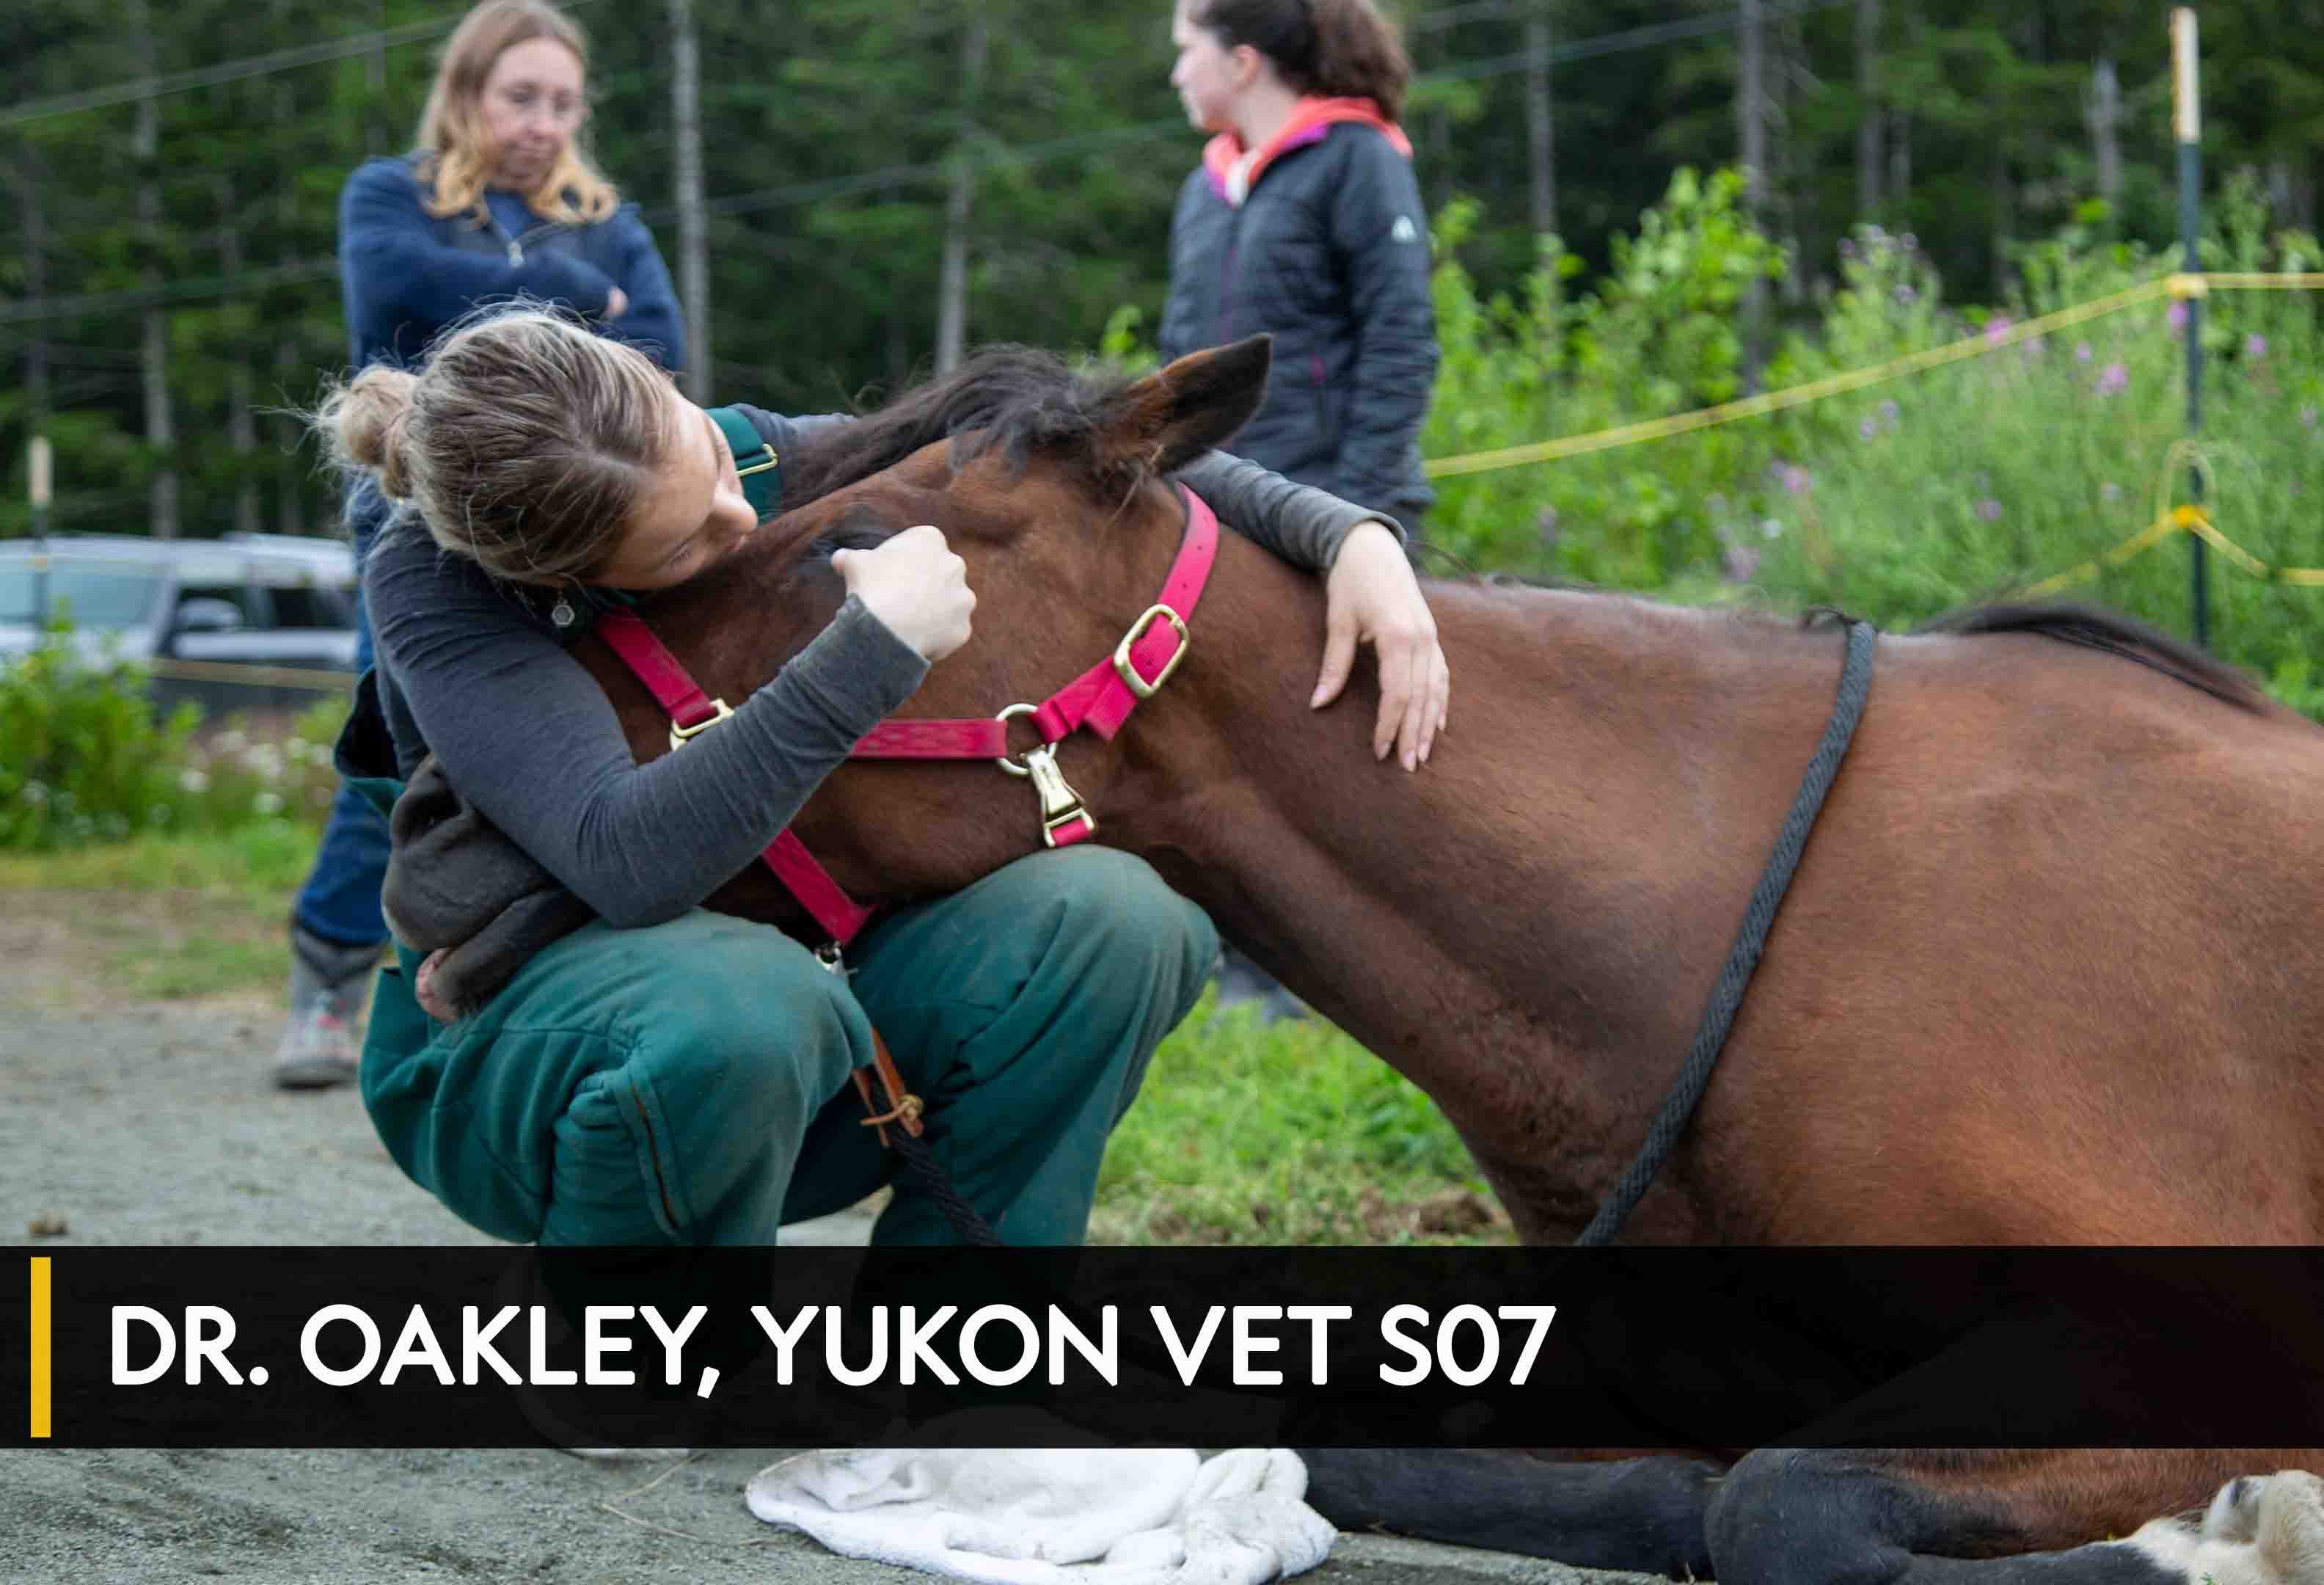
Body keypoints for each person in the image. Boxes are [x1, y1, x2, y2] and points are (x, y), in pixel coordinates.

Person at [312, 305, 1449, 1250]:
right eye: (681, 551)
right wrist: (872, 650)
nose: (737, 515)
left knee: (1115, 921)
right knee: (753, 1002)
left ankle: (957, 1343)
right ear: (550, 572)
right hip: (533, 1071)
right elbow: (627, 856)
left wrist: (1350, 537)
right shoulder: (437, 585)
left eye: (706, 459)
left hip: (802, 1032)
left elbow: (1068, 454)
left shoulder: (746, 453)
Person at [274, 0, 685, 1090]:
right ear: (465, 95)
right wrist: (573, 301)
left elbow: (663, 345)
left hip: (570, 520)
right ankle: (330, 971)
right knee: (411, 754)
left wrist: (557, 303)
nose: (544, 123)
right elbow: (395, 291)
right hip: (413, 525)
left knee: (584, 745)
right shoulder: (389, 197)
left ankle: (524, 980)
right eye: (520, 98)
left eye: (562, 102)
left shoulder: (608, 219)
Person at [1159, 0, 1438, 1019]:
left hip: (1334, 513)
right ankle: (1240, 974)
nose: (1176, 75)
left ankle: (1345, 985)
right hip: (1217, 514)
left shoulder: (1358, 161)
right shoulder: (1208, 186)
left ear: (1239, 60)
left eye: (1185, 52)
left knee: (1333, 760)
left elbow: (1401, 341)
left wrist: (1353, 518)